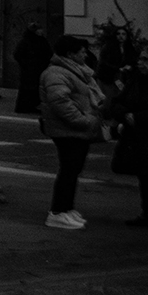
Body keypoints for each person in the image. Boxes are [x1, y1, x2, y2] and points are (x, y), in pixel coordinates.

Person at [38, 36, 107, 231]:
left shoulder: (75, 71)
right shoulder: (57, 73)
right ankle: (58, 212)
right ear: (70, 54)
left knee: (73, 170)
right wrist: (84, 121)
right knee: (68, 170)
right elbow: (60, 102)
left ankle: (66, 209)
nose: (86, 55)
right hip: (68, 130)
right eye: (82, 52)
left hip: (75, 129)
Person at [109, 49, 148, 228]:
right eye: (140, 58)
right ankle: (146, 213)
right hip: (136, 137)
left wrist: (138, 117)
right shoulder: (135, 81)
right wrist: (126, 115)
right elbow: (117, 102)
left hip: (143, 131)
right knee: (144, 175)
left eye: (145, 59)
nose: (140, 62)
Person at [14, 26, 53, 115]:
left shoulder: (31, 41)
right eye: (39, 29)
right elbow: (18, 55)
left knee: (30, 88)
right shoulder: (31, 41)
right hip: (31, 69)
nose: (41, 31)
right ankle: (26, 106)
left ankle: (27, 106)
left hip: (34, 69)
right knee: (29, 88)